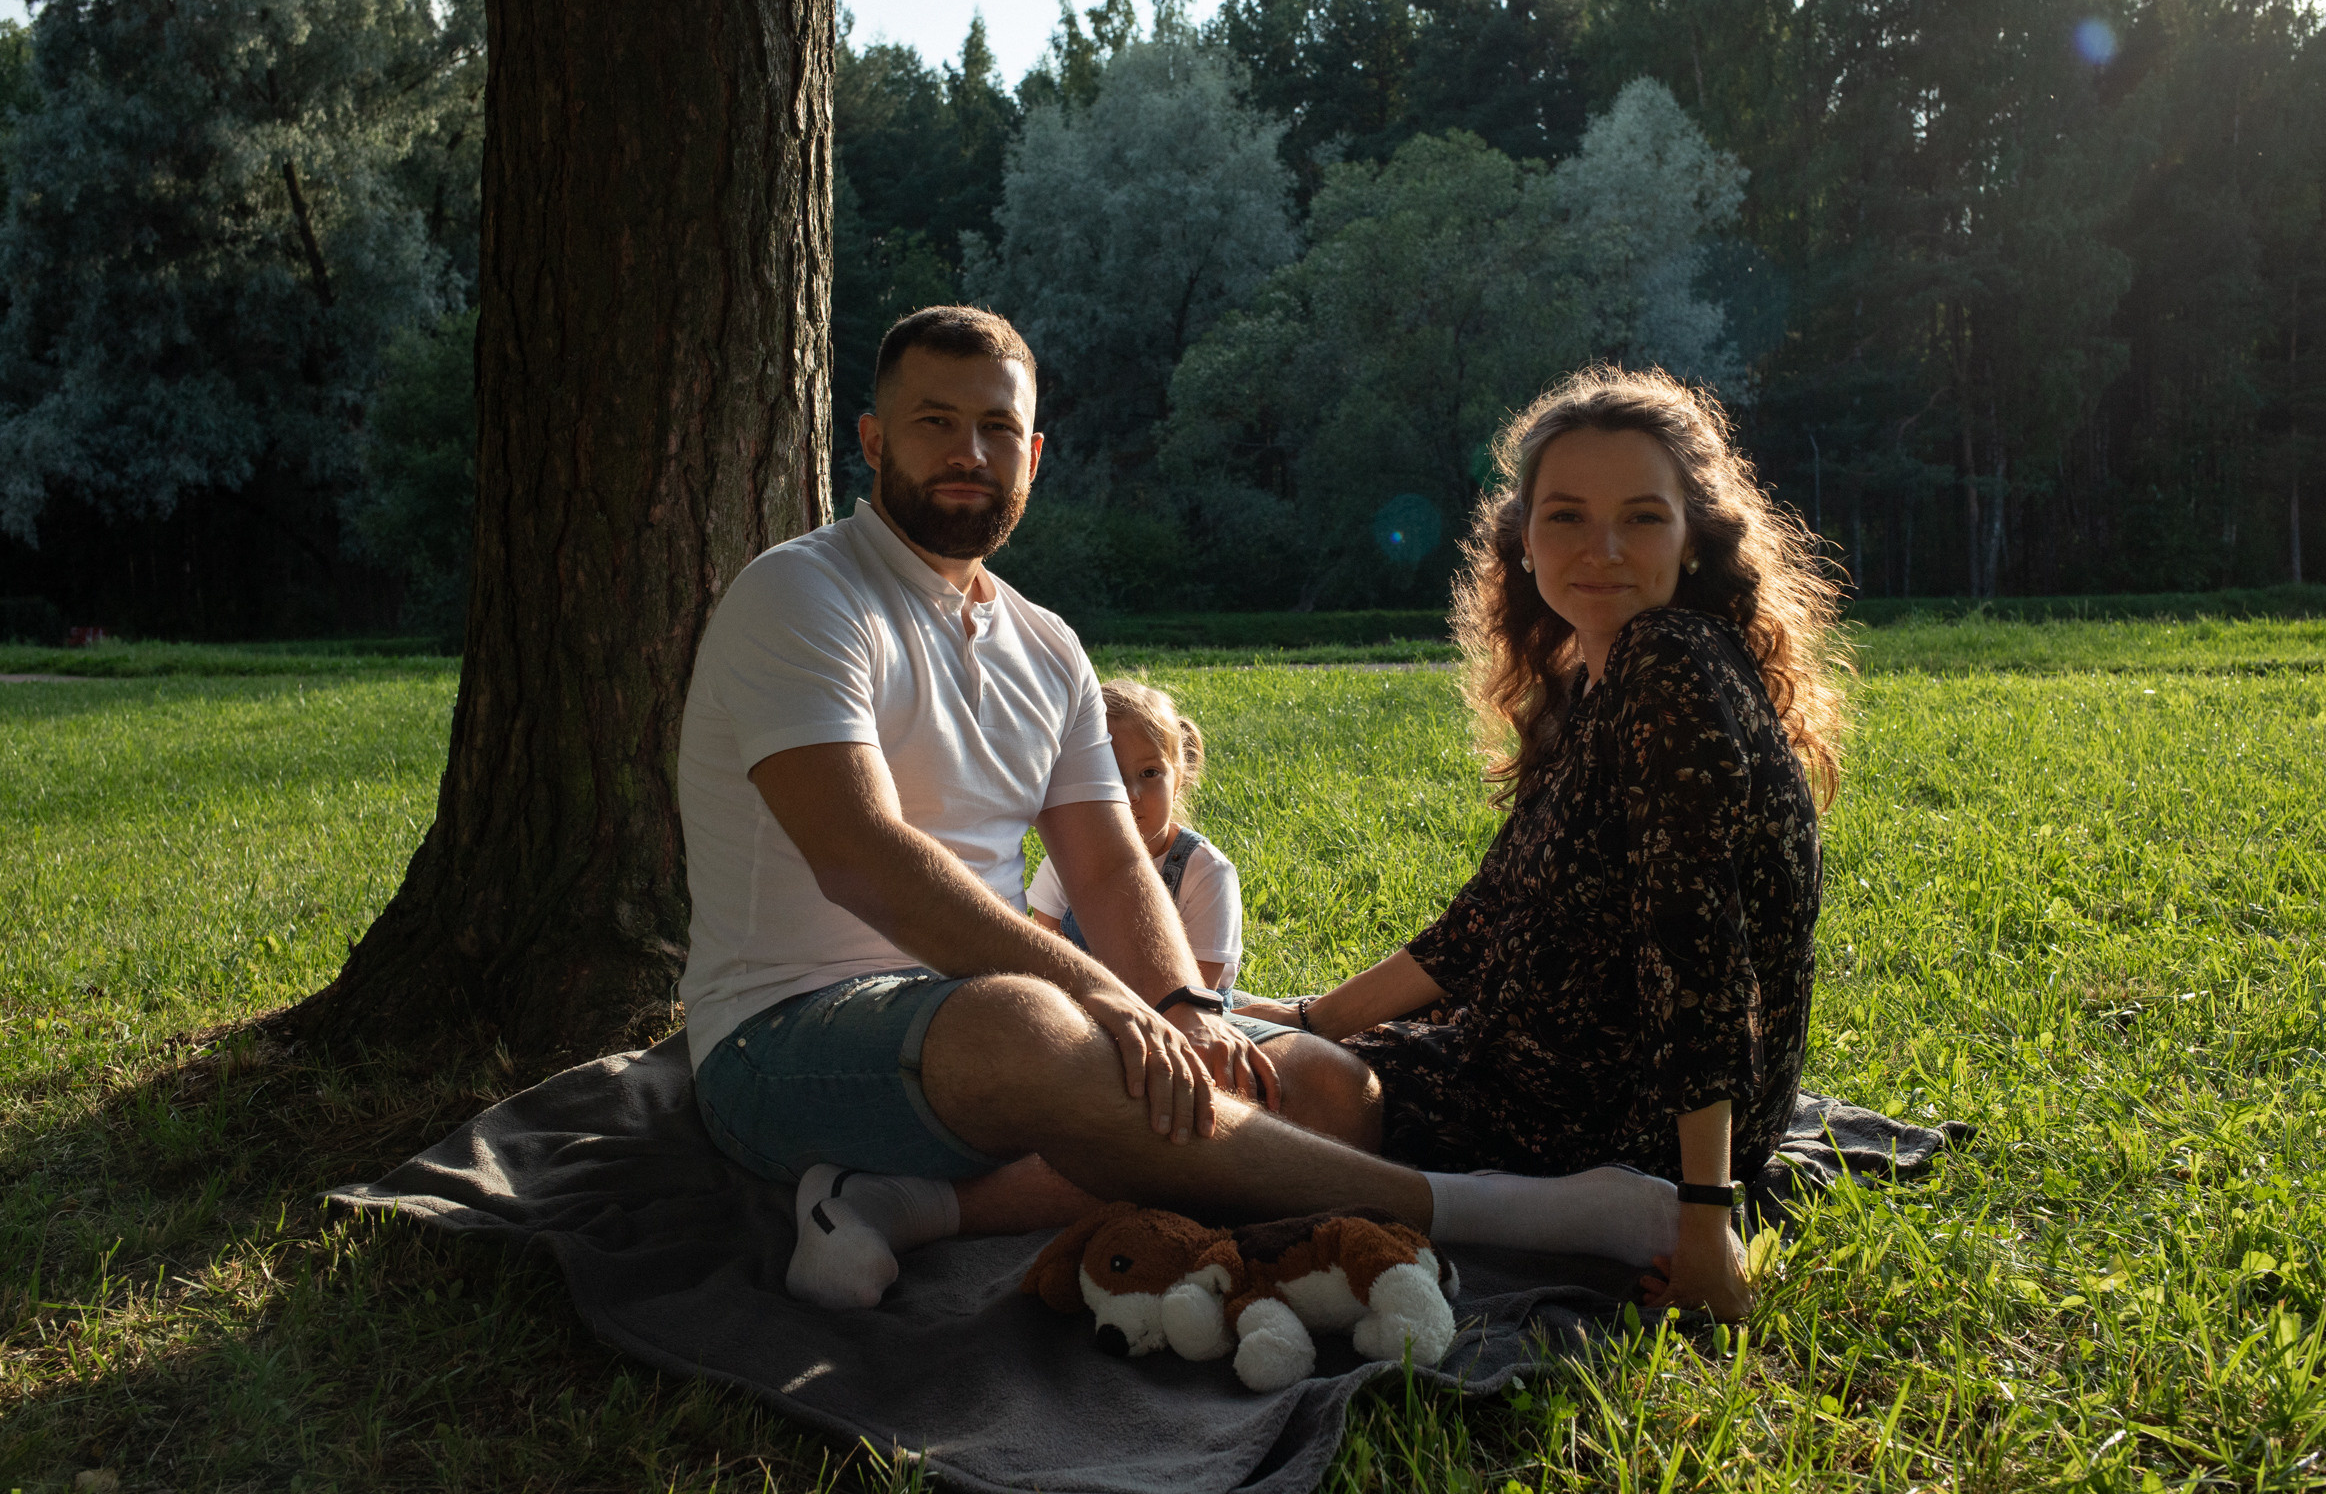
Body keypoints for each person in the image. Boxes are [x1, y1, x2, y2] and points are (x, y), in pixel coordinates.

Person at [677, 307, 1705, 1314]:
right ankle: (1499, 1212)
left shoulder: (1046, 646)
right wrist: (1102, 997)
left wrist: (1182, 1007)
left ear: (1033, 455)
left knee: (1320, 1089)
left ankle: (900, 1205)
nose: (969, 453)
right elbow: (859, 854)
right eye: (935, 422)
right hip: (785, 1040)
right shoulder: (804, 595)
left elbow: (1111, 866)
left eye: (996, 427)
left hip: (995, 1030)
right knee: (1033, 1021)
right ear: (871, 440)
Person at [1237, 364, 1845, 1320]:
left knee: (1260, 1097)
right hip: (1547, 1059)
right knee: (1258, 1055)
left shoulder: (1669, 666)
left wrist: (1703, 1218)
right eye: (1566, 516)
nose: (1602, 549)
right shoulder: (1598, 681)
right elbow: (1483, 923)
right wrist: (1312, 1016)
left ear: (1694, 537)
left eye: (1642, 517)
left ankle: (1572, 1211)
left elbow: (1698, 953)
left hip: (1623, 1116)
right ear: (1523, 540)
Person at [1027, 680, 1247, 994]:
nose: (1131, 794)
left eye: (1149, 773)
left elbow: (1200, 992)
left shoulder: (1207, 873)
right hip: (1087, 1004)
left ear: (1178, 779)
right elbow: (1049, 950)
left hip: (1182, 1013)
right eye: (1109, 775)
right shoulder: (1068, 859)